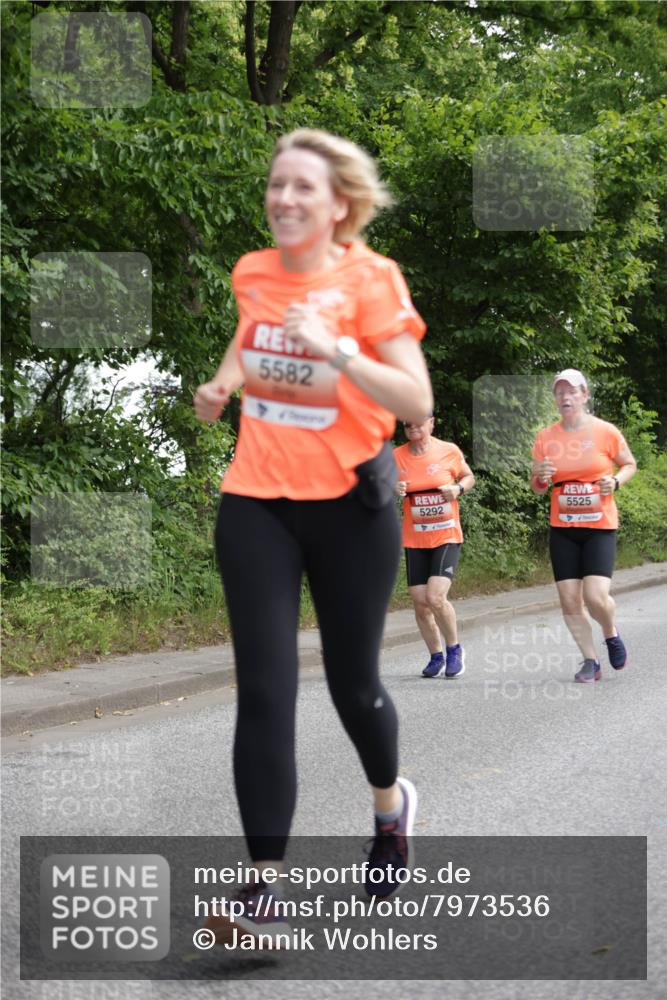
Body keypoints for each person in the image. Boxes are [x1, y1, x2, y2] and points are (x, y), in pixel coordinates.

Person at [193, 128, 432, 941]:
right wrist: (225, 381)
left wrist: (337, 350)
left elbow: (412, 397)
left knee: (351, 685)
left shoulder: (371, 279)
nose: (284, 199)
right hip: (255, 498)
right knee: (263, 690)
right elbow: (251, 330)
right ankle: (264, 888)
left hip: (349, 507)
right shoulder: (253, 270)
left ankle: (389, 806)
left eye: (302, 188)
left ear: (339, 205)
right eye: (276, 185)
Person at [531, 369, 637, 683]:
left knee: (595, 596)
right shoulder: (546, 437)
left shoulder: (605, 431)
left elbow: (629, 464)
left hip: (599, 526)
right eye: (560, 392)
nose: (565, 397)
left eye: (572, 391)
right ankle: (591, 660)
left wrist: (615, 481)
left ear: (585, 395)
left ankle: (610, 632)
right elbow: (537, 487)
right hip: (562, 527)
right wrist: (541, 475)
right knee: (568, 599)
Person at [394, 416, 475, 678]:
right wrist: (392, 488)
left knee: (435, 596)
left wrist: (458, 488)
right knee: (420, 602)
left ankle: (455, 650)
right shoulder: (397, 456)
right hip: (416, 537)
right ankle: (435, 655)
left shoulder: (448, 450)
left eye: (418, 423)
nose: (413, 429)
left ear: (431, 423)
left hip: (446, 535)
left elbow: (468, 476)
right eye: (407, 425)